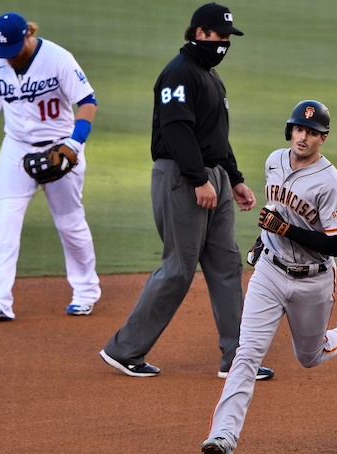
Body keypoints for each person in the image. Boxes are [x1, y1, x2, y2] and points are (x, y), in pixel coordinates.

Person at [99, 3, 273, 380]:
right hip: (182, 177)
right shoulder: (178, 75)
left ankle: (237, 358)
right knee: (178, 268)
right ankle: (124, 349)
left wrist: (235, 177)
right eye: (218, 36)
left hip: (215, 178)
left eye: (228, 37)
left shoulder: (210, 77)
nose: (224, 43)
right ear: (198, 33)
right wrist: (198, 180)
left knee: (226, 263)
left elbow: (215, 137)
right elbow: (177, 131)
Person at [201, 100, 337, 454]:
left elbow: (335, 245)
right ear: (289, 130)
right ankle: (223, 437)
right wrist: (264, 240)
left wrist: (287, 230)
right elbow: (274, 214)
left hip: (313, 279)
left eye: (311, 132)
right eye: (298, 129)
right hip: (270, 273)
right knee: (245, 353)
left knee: (310, 356)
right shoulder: (274, 161)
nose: (302, 137)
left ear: (323, 138)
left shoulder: (332, 184)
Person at [0, 12, 101, 321]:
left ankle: (86, 291)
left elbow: (88, 101)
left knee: (69, 223)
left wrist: (74, 144)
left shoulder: (58, 58)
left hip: (60, 147)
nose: (10, 57)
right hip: (15, 148)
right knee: (6, 220)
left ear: (28, 36)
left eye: (15, 49)